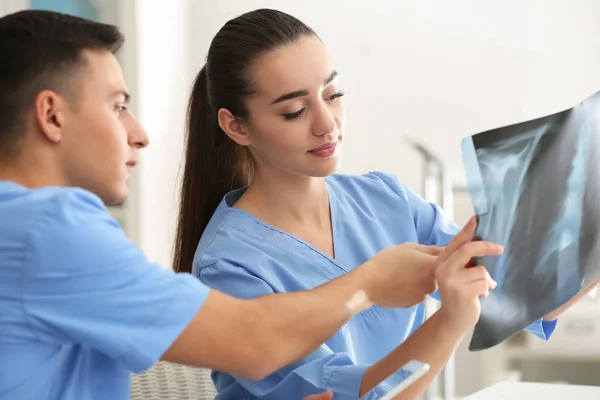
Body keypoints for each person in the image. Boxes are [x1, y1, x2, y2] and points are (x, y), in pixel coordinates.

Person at [0, 10, 496, 400]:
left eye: (333, 93)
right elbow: (258, 344)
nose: (139, 133)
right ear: (51, 114)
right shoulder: (47, 230)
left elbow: (513, 283)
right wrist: (374, 285)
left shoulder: (382, 196)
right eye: (117, 105)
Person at [175, 8, 600, 400]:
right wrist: (450, 319)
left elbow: (523, 290)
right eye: (295, 111)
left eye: (333, 94)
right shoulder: (230, 268)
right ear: (236, 126)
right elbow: (361, 394)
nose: (327, 125)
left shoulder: (385, 199)